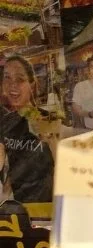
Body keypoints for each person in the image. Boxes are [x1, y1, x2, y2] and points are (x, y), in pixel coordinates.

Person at [0, 57, 51, 205]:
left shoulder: (49, 120)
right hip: (15, 206)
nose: (12, 85)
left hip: (45, 207)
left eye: (20, 79)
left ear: (32, 85)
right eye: (7, 78)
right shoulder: (5, 121)